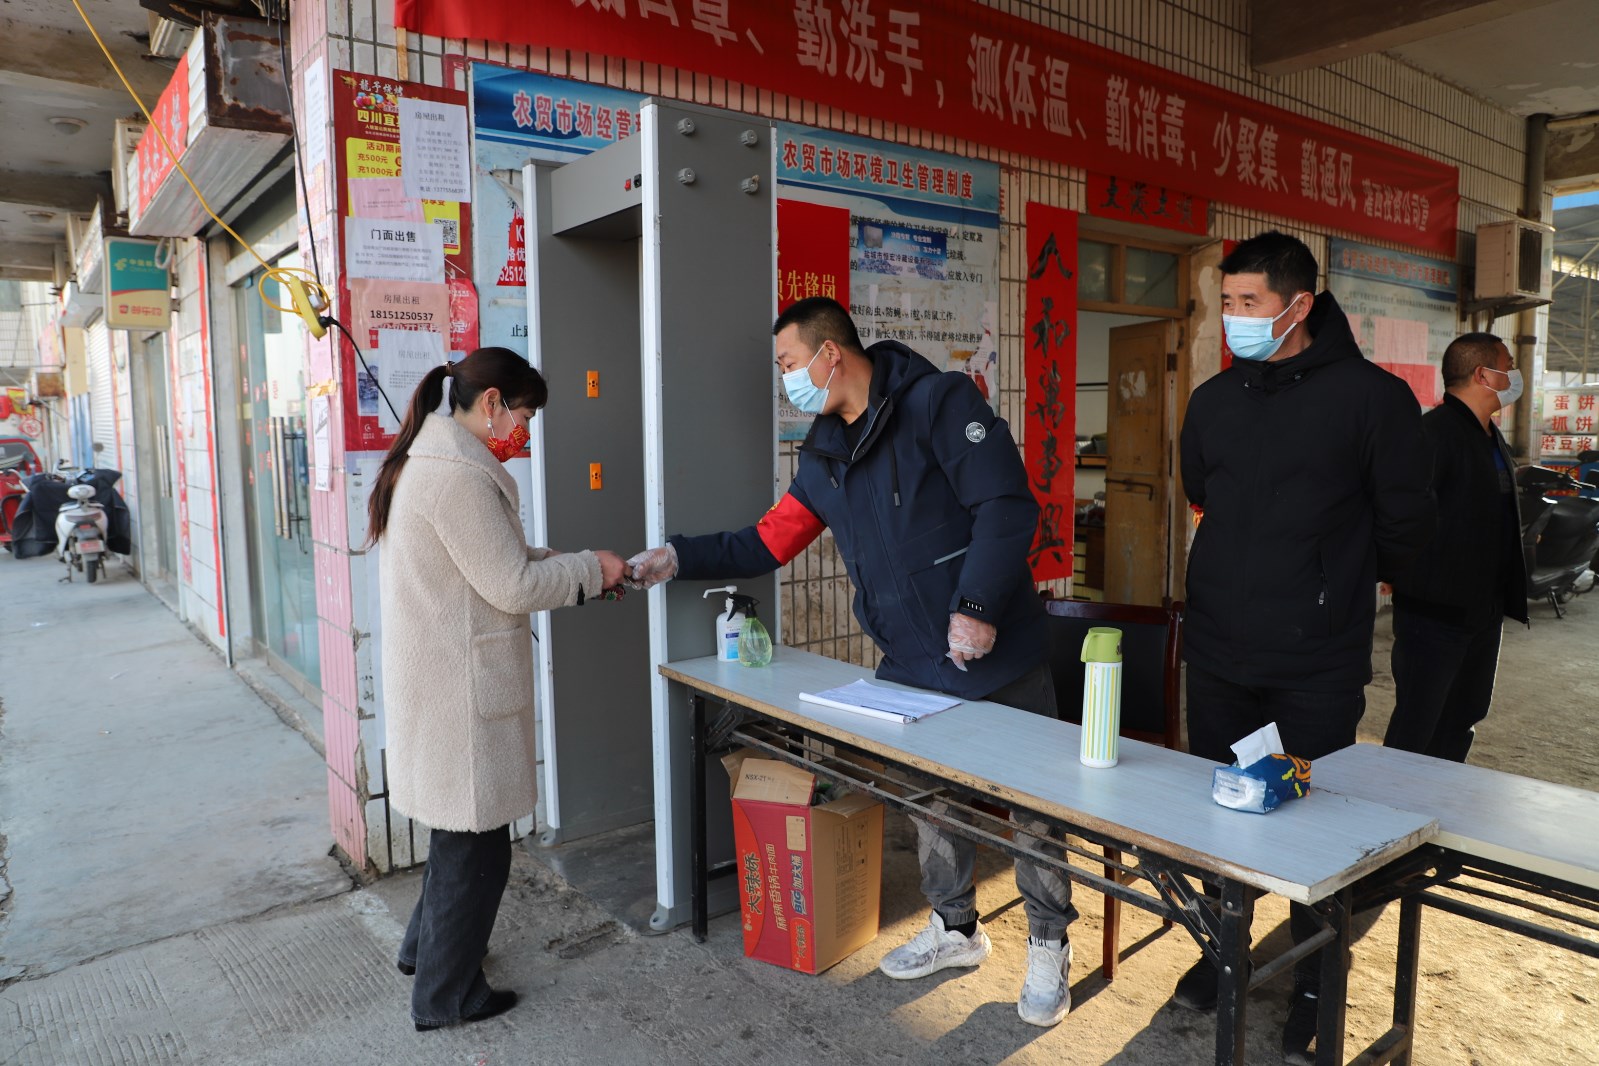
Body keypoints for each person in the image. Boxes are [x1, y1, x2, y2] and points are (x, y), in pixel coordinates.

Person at [626, 297, 1077, 1027]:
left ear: (829, 354)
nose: (785, 379)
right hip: (912, 664)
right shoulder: (824, 457)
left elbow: (1005, 505)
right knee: (930, 801)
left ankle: (1050, 945)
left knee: (1033, 809)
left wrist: (978, 606)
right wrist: (677, 557)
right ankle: (957, 928)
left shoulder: (937, 403)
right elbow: (767, 542)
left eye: (787, 362)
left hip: (997, 651)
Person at [1175, 232, 1434, 1063]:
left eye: (1248, 303)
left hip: (1314, 660)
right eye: (1227, 302)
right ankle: (1223, 950)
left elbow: (1404, 523)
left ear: (1298, 305)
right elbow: (1199, 489)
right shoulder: (1213, 399)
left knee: (1309, 822)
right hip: (1219, 649)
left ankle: (1316, 981)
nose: (1234, 318)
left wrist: (1333, 584)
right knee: (1222, 806)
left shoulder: (1371, 399)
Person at [368, 346, 627, 1031]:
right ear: (492, 404)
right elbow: (510, 585)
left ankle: (423, 952)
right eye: (525, 415)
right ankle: (447, 996)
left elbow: (489, 561)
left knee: (456, 834)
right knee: (476, 845)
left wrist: (565, 563)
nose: (525, 431)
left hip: (441, 680)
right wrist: (592, 570)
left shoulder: (430, 460)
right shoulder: (457, 477)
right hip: (459, 688)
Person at [1385, 333, 1528, 761]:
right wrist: (1396, 571)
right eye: (1508, 365)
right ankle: (1392, 801)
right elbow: (1397, 512)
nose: (1514, 375)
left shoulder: (1490, 436)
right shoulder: (1433, 434)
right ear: (1484, 375)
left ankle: (1442, 801)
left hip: (1482, 609)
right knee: (1417, 725)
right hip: (1434, 613)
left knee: (1463, 717)